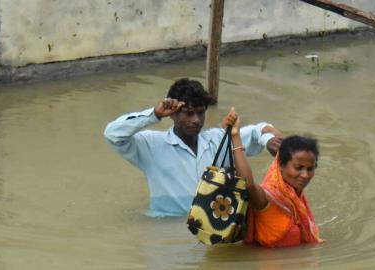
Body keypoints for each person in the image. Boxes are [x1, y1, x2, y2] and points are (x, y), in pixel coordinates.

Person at [104, 78, 283, 217]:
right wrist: (154, 114)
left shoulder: (218, 140)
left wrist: (268, 138)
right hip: (169, 229)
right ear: (172, 114)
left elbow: (257, 130)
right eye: (188, 113)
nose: (196, 120)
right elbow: (113, 134)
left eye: (200, 112)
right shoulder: (151, 145)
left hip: (215, 226)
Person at [223, 108, 323, 247]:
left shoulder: (296, 199)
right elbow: (248, 185)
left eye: (310, 169)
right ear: (280, 165)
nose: (305, 175)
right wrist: (235, 136)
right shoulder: (267, 198)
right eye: (298, 168)